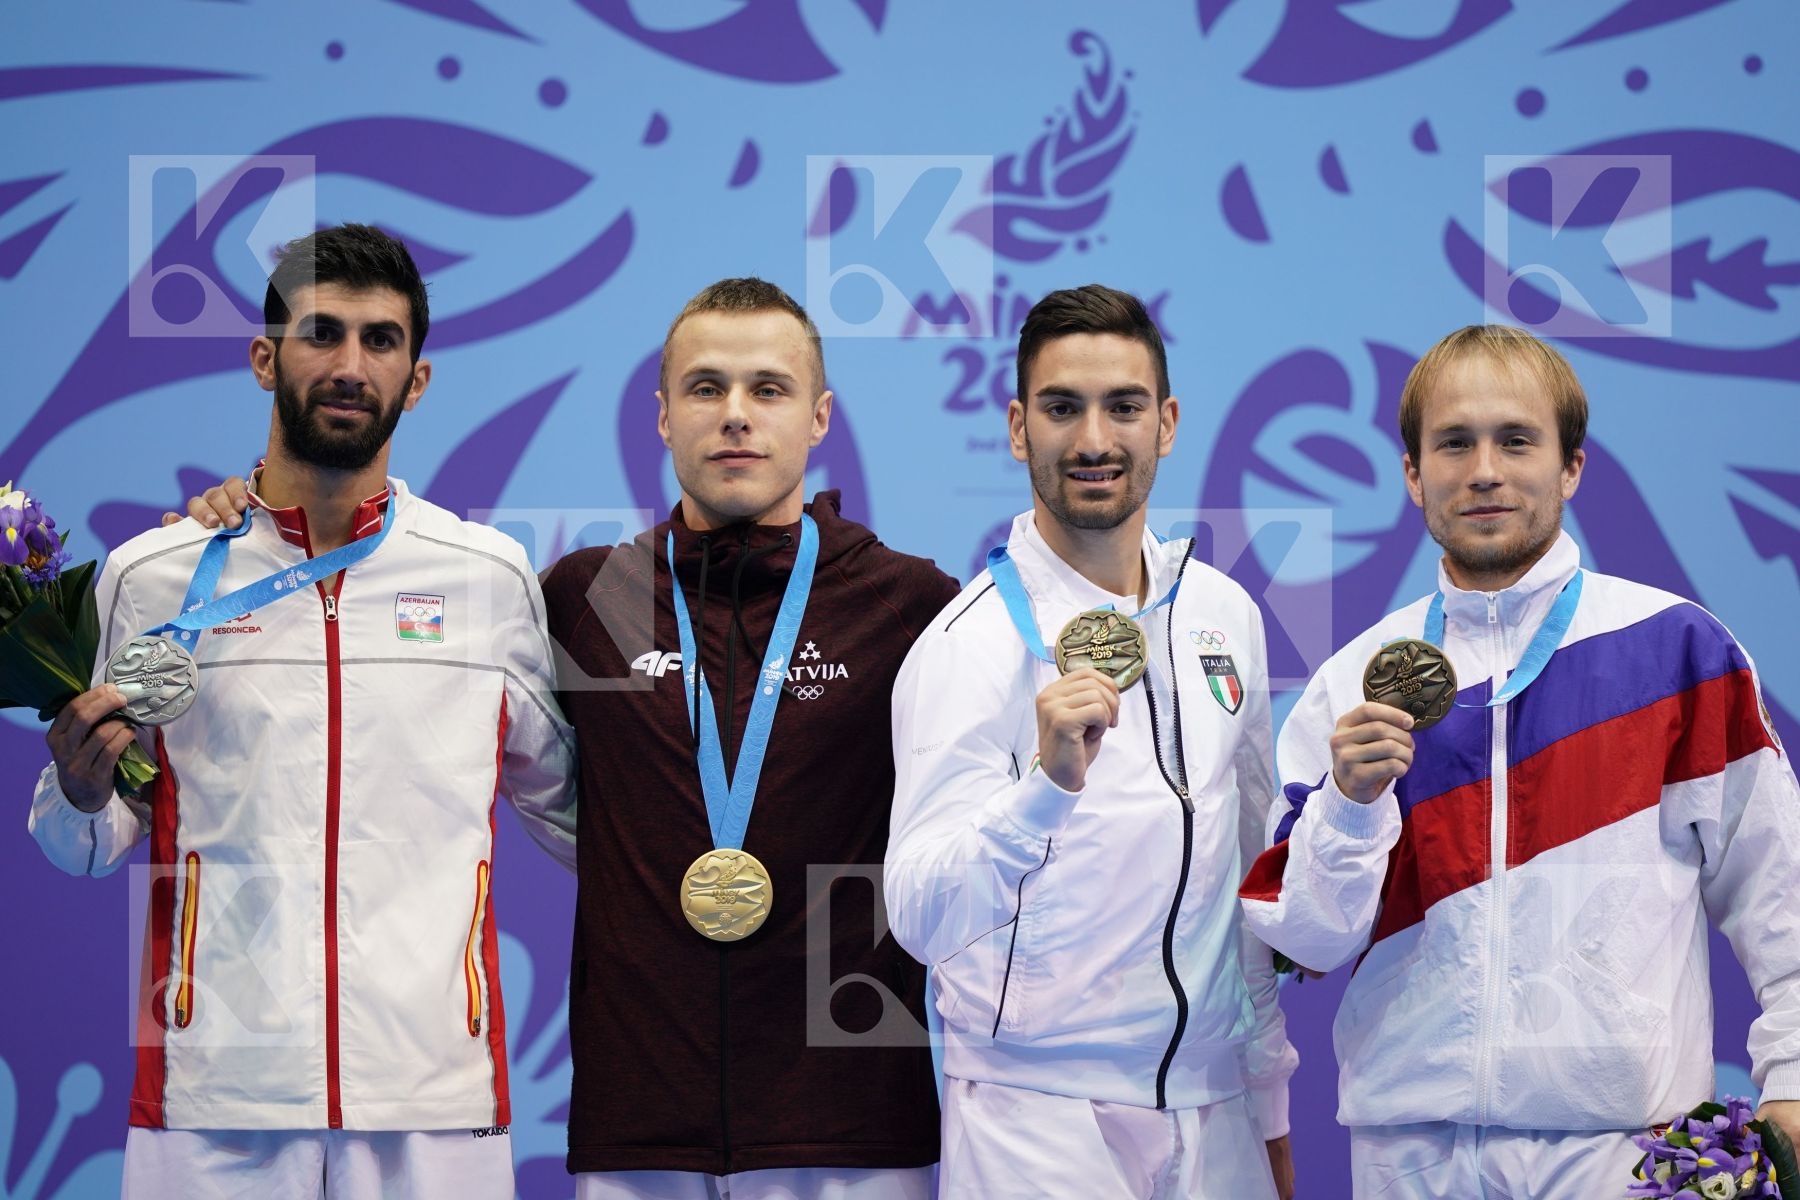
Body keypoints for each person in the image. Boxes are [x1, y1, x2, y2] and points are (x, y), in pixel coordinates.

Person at [192, 278, 958, 1197]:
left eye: (769, 388)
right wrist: (242, 527)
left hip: (853, 1121)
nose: (736, 415)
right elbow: (380, 619)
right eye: (706, 388)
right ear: (663, 416)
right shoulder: (586, 598)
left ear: (820, 416)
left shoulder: (910, 607)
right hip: (638, 1123)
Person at [33, 224, 577, 1197]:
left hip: (435, 1097)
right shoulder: (153, 576)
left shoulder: (486, 578)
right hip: (212, 1094)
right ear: (264, 359)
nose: (350, 365)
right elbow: (87, 840)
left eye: (381, 340)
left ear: (416, 379)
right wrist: (78, 791)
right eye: (322, 333)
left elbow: (578, 816)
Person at [1237, 325, 1800, 1198]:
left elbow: (1780, 892)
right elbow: (1307, 939)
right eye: (1454, 443)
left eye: (1516, 440)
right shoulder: (1352, 682)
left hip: (1622, 1152)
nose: (1484, 471)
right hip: (1409, 1155)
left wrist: (1793, 1080)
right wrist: (1348, 803)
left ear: (1571, 467)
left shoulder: (1677, 652)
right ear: (1413, 474)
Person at [885, 284, 1298, 1199]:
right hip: (1037, 1118)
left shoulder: (1223, 615)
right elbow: (917, 914)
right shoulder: (967, 644)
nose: (1095, 440)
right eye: (1063, 408)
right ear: (1018, 427)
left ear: (1167, 423)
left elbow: (1244, 877)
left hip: (1215, 1109)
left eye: (1124, 407)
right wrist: (1045, 789)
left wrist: (1267, 1100)